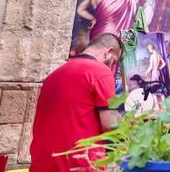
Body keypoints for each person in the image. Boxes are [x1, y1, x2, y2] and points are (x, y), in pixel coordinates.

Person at [31, 33, 123, 171]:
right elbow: (110, 124)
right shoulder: (100, 71)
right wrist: (136, 123)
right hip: (78, 164)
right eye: (113, 62)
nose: (111, 68)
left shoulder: (55, 74)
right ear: (108, 52)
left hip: (42, 162)